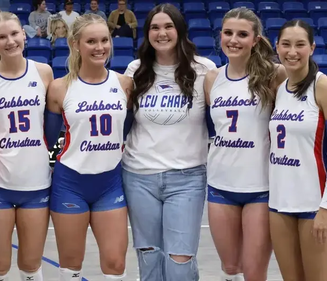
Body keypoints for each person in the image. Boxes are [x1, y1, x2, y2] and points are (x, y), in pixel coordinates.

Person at [123, 4, 217, 281]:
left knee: (180, 261)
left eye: (168, 26)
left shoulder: (204, 70)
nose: (161, 33)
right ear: (147, 33)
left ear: (180, 30)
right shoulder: (135, 69)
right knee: (150, 258)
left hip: (187, 178)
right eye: (154, 27)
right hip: (138, 177)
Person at [0, 9, 54, 281]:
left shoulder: (44, 73)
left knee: (30, 264)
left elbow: (53, 125)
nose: (10, 41)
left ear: (23, 35)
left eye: (14, 34)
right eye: (1, 37)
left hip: (36, 182)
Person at [44, 13, 133, 281]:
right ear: (75, 44)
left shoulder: (124, 84)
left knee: (116, 263)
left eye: (105, 40)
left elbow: (126, 130)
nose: (100, 47)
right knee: (71, 265)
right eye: (91, 41)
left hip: (110, 183)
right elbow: (47, 139)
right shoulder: (59, 88)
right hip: (70, 183)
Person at [203, 7, 287, 281]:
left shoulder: (275, 75)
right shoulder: (212, 79)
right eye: (228, 33)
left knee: (253, 272)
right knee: (230, 269)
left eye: (242, 34)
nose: (234, 40)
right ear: (220, 36)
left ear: (255, 39)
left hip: (261, 187)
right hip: (220, 184)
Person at [269, 19, 327, 281]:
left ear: (312, 48)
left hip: (315, 204)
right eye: (286, 44)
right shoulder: (278, 89)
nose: (292, 51)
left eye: (300, 44)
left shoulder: (325, 87)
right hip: (280, 204)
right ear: (277, 47)